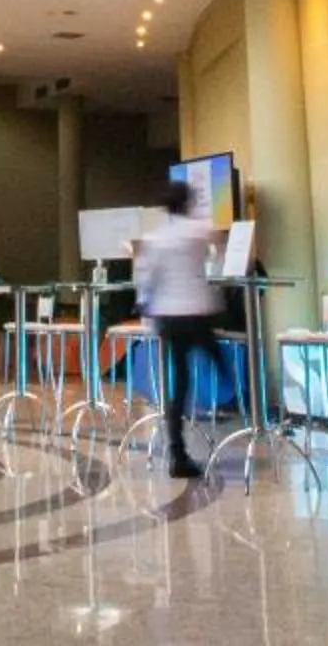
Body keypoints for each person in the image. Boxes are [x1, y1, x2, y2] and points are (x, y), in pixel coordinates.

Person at [134, 180, 220, 482]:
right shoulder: (199, 230)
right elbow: (214, 253)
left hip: (169, 317)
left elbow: (147, 276)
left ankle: (177, 452)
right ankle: (234, 399)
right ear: (188, 203)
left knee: (178, 382)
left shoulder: (156, 238)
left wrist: (143, 303)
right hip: (198, 312)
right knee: (216, 357)